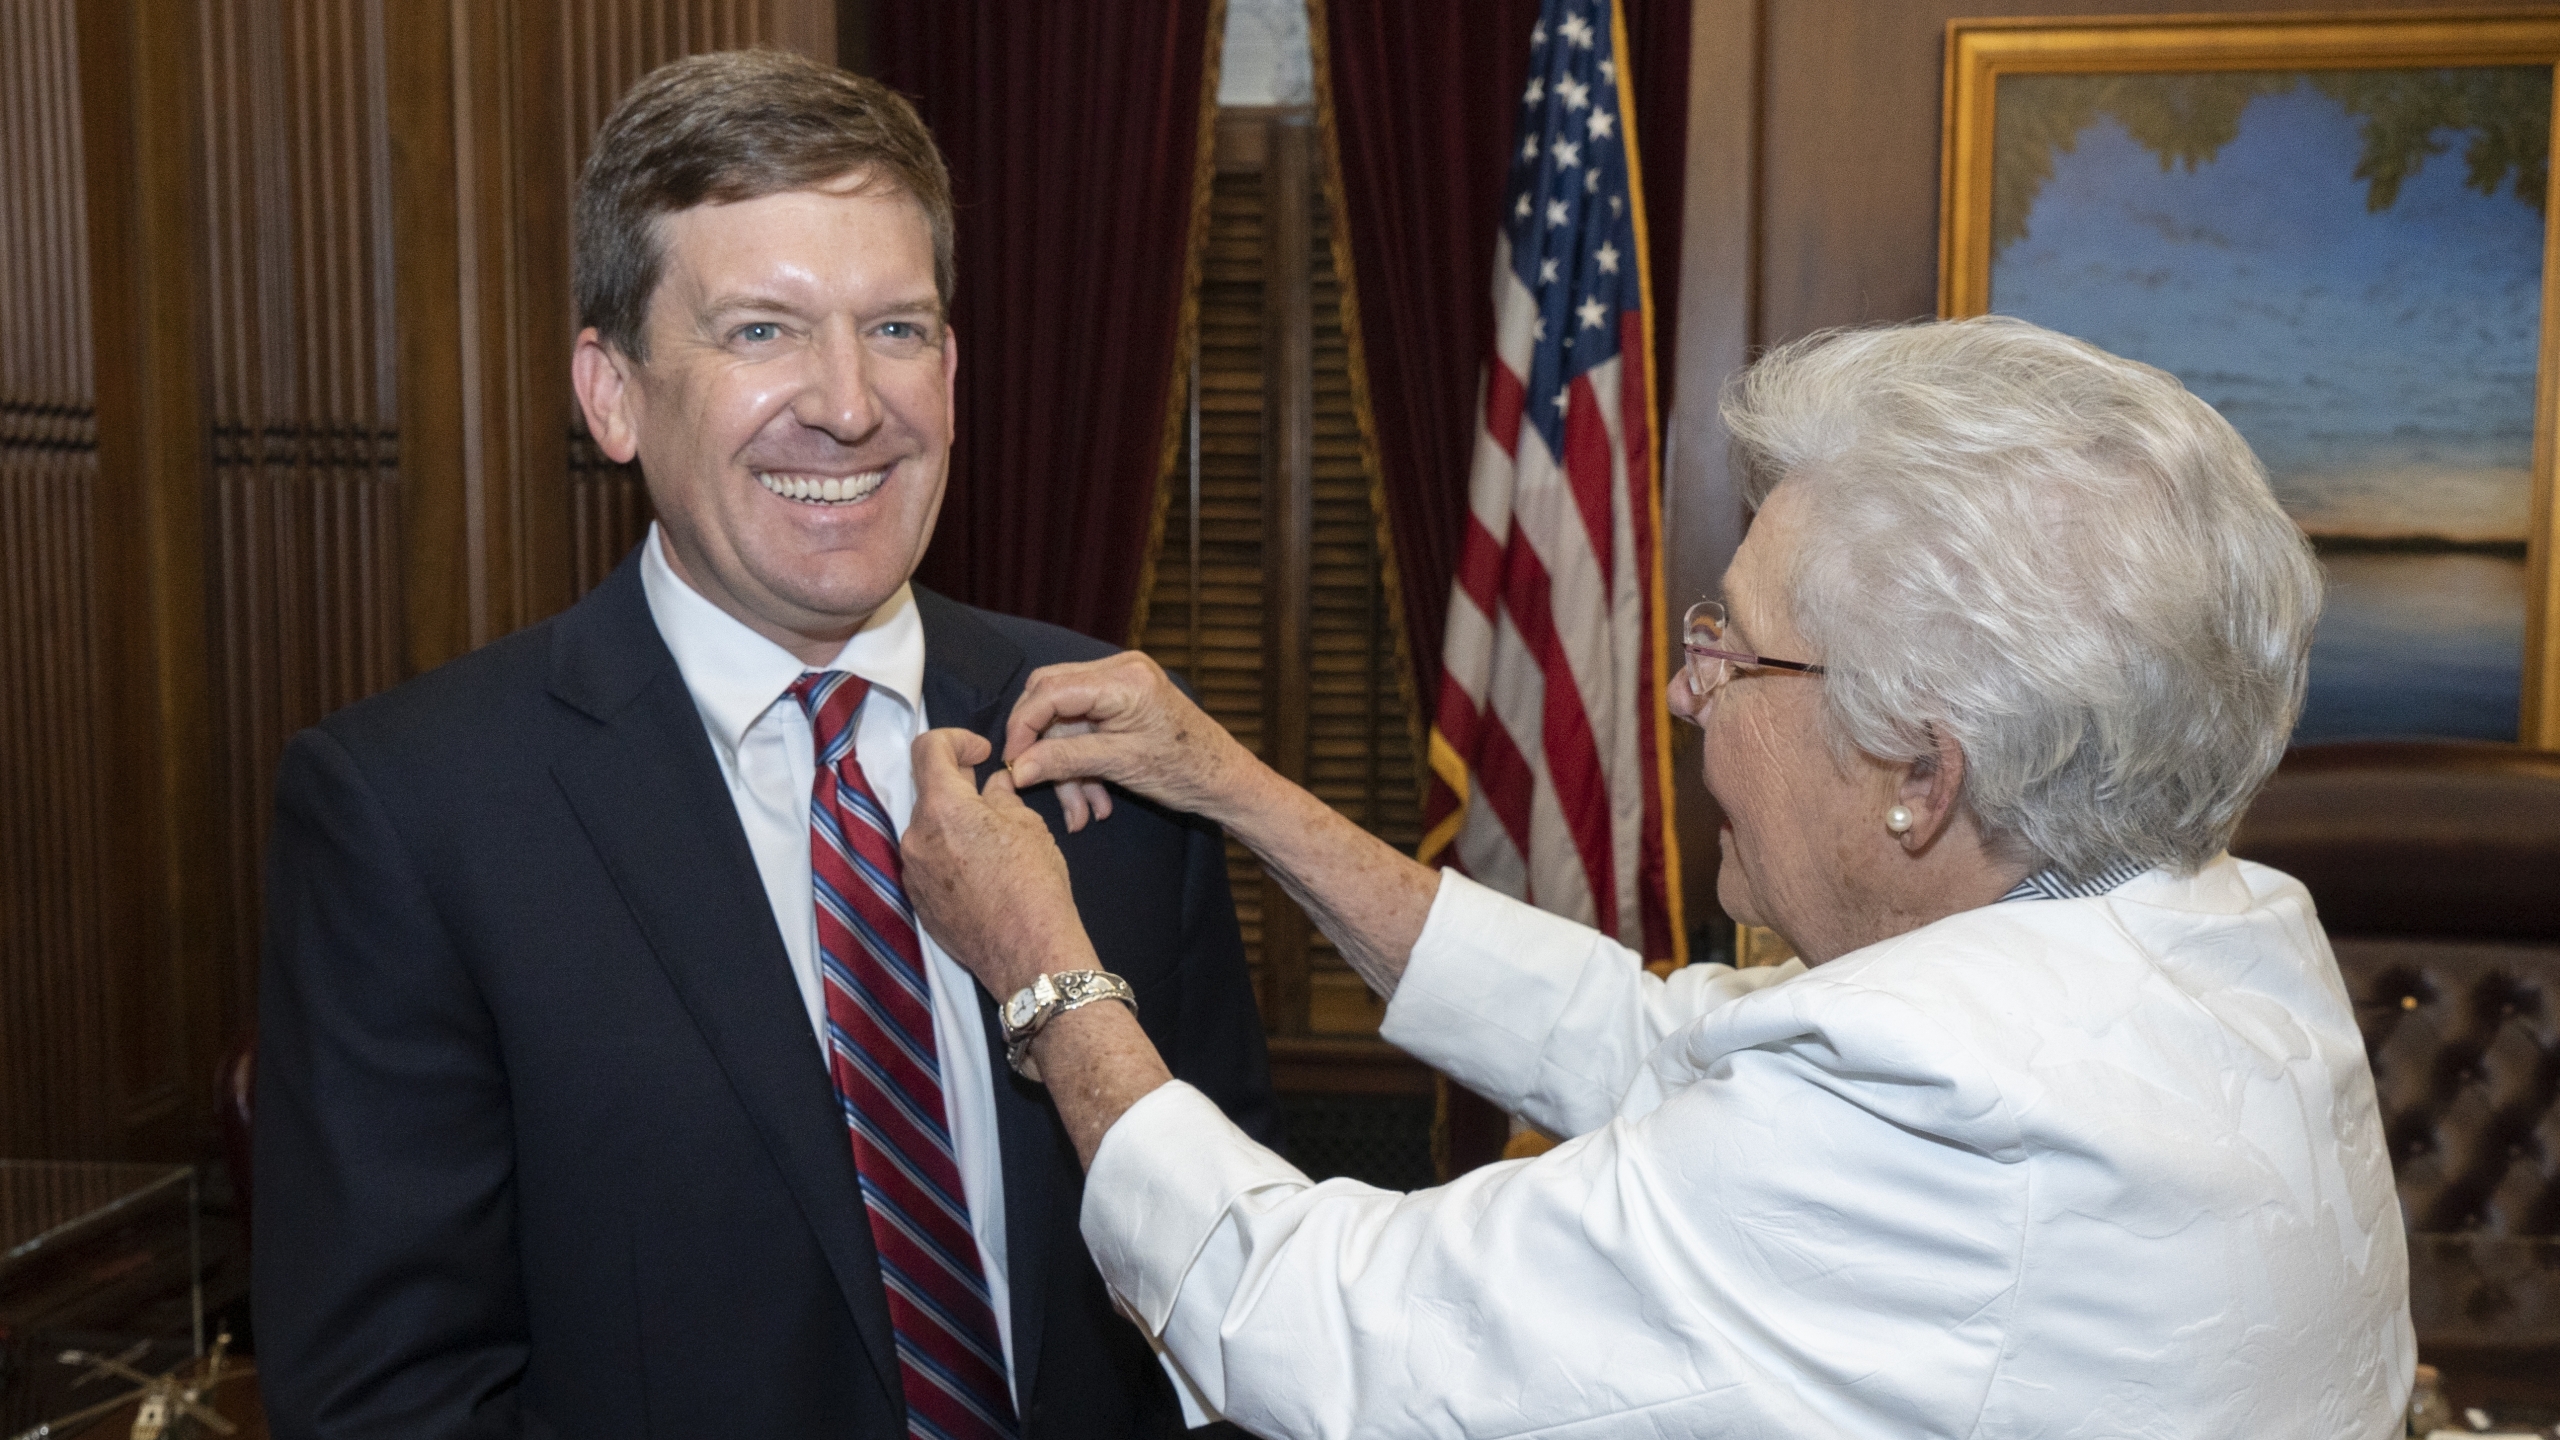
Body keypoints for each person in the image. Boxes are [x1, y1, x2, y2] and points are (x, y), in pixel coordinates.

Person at [900, 317, 2413, 1438]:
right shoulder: (2224, 928)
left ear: (1918, 777)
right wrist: (1239, 789)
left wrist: (1043, 966)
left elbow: (1310, 1323)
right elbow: (1638, 1034)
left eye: (1736, 653)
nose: (1687, 694)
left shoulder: (1933, 1106)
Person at [253, 49, 1277, 1440]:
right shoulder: (416, 814)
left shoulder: (1103, 730)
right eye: (760, 332)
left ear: (954, 368)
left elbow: (1242, 1284)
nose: (849, 404)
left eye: (897, 329)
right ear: (612, 394)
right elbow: (389, 1400)